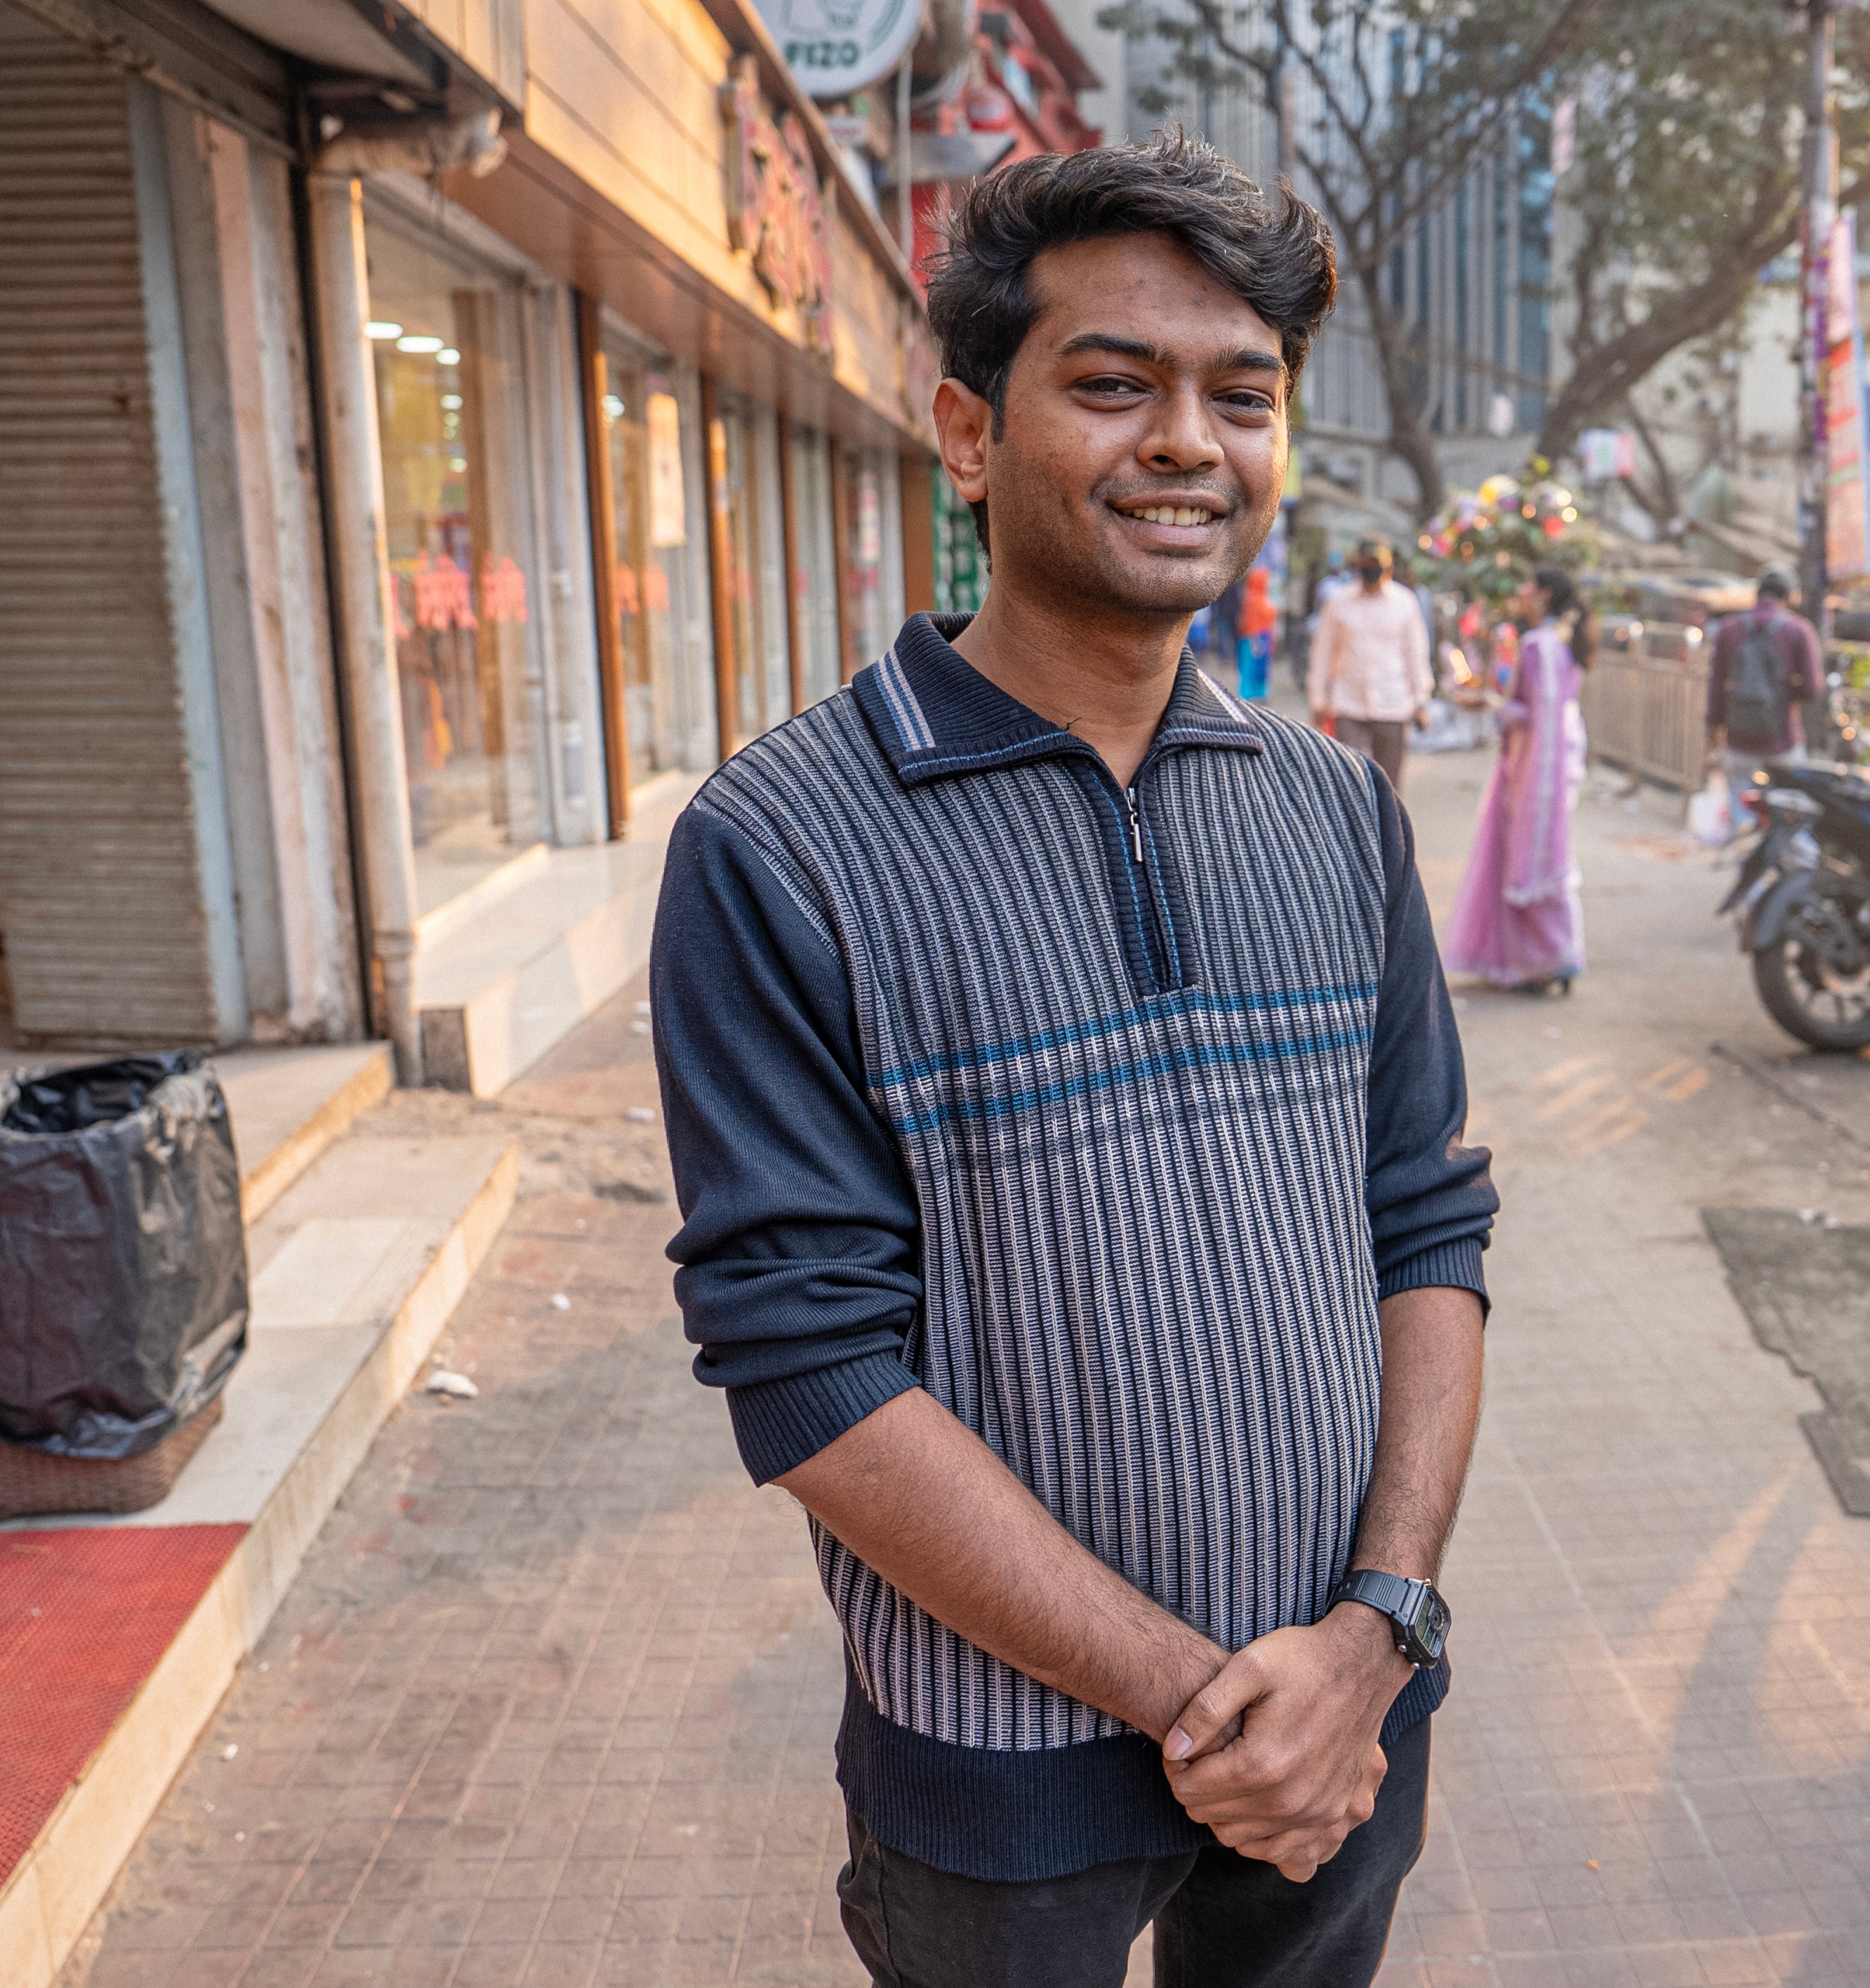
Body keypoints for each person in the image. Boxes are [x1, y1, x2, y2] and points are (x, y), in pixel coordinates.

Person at [649, 138, 1499, 1985]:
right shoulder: (779, 846)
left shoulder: (1337, 813)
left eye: (1240, 395)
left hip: (1346, 1722)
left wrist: (1375, 1637)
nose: (1188, 441)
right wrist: (1219, 1707)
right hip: (1003, 1780)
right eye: (1113, 385)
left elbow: (1426, 1231)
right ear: (969, 433)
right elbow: (806, 1367)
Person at [1444, 567, 1587, 994]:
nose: (1519, 592)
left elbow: (1535, 716)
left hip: (1533, 766)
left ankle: (1540, 960)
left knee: (1528, 855)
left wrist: (1490, 702)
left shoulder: (1538, 645)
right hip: (1554, 761)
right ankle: (1549, 957)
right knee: (1544, 854)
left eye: (1526, 585)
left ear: (1542, 596)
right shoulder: (1560, 642)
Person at [1309, 537, 1433, 786]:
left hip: (1393, 706)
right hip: (1349, 705)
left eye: (1376, 563)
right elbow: (1322, 652)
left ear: (1388, 566)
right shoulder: (1339, 602)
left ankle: (1386, 827)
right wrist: (1318, 699)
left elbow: (1416, 653)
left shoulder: (1404, 602)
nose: (1372, 569)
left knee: (1389, 786)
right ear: (1357, 565)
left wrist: (1421, 698)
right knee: (1348, 783)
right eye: (1366, 563)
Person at [1705, 571, 1824, 814]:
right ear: (1788, 596)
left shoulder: (1729, 628)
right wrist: (1786, 692)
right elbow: (1811, 689)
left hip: (1738, 739)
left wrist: (1714, 735)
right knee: (1790, 818)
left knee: (1741, 819)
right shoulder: (1798, 630)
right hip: (1783, 740)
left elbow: (1716, 687)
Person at [1238, 562, 1276, 700]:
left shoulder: (1262, 597)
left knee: (1262, 667)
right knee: (1250, 666)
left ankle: (1261, 692)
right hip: (1253, 638)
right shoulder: (1253, 599)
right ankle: (1247, 693)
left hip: (1264, 636)